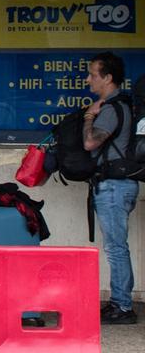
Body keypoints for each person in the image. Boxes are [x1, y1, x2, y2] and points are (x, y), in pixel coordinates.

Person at [86, 52, 140, 325]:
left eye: (93, 75)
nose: (88, 80)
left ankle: (122, 306)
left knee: (116, 248)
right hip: (122, 184)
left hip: (114, 186)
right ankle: (119, 302)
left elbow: (91, 144)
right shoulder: (125, 105)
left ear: (108, 78)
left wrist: (89, 117)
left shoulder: (109, 108)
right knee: (116, 246)